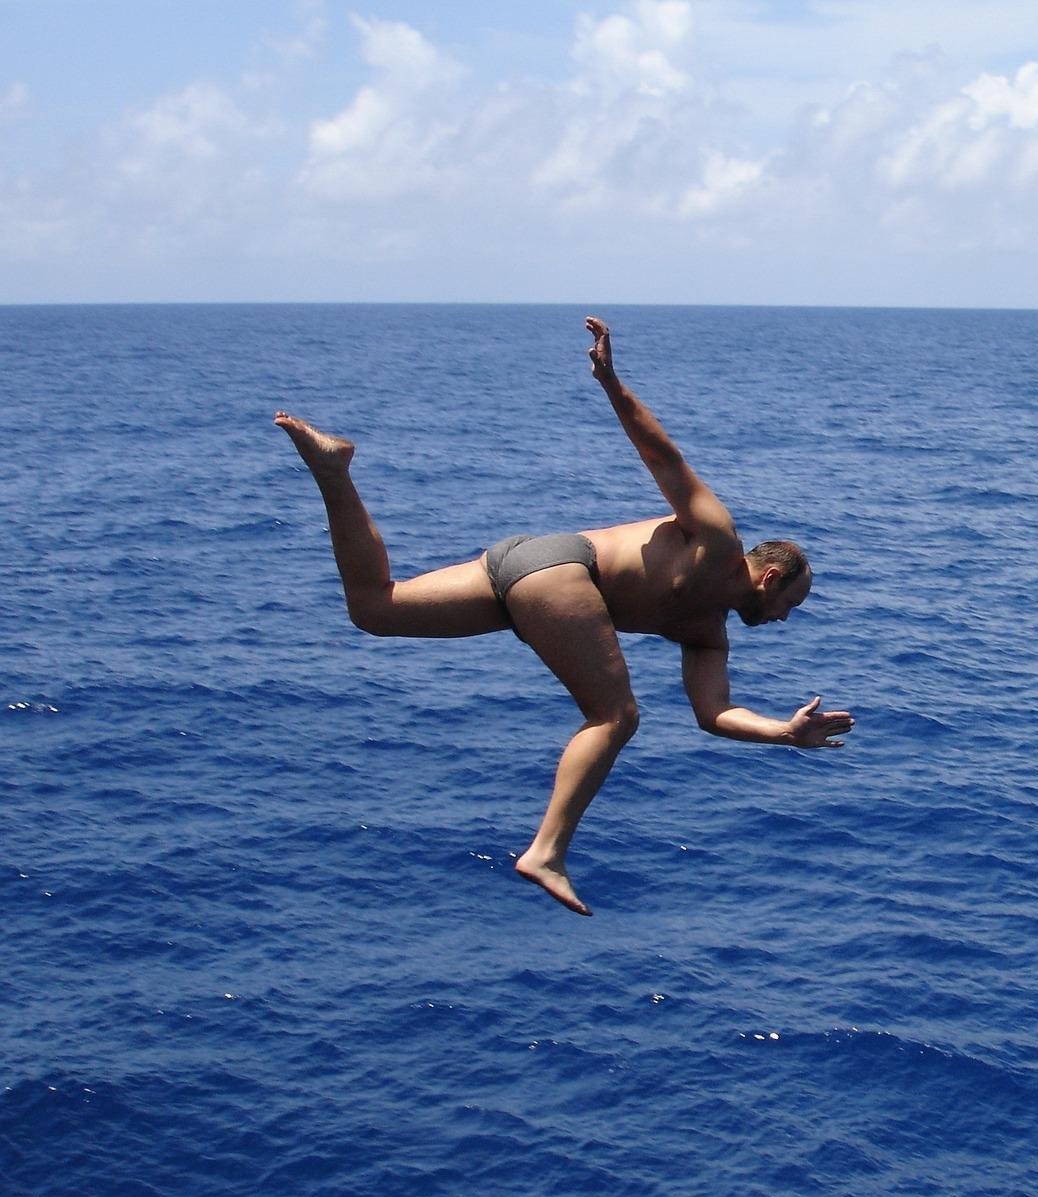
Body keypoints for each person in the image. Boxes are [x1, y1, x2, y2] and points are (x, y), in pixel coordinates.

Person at [274, 315, 855, 917]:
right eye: (791, 604)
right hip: (563, 573)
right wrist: (611, 382)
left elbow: (714, 714)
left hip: (525, 563)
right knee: (615, 716)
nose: (786, 619)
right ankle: (546, 853)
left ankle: (334, 472)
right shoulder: (715, 538)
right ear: (770, 577)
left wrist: (782, 733)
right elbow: (663, 457)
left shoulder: (705, 636)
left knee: (374, 608)